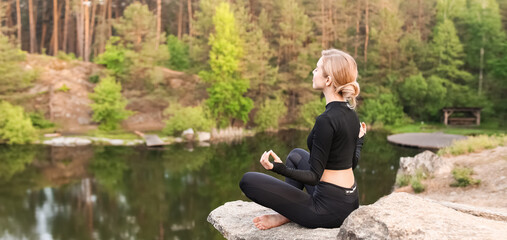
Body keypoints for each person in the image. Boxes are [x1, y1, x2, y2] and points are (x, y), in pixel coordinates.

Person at [239, 48, 366, 230]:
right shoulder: (350, 114)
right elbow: (350, 164)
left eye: (317, 68)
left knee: (247, 180)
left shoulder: (326, 120)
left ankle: (287, 214)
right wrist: (359, 141)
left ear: (328, 80)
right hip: (349, 202)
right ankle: (289, 212)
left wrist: (277, 168)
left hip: (328, 211)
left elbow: (313, 177)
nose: (313, 72)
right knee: (296, 155)